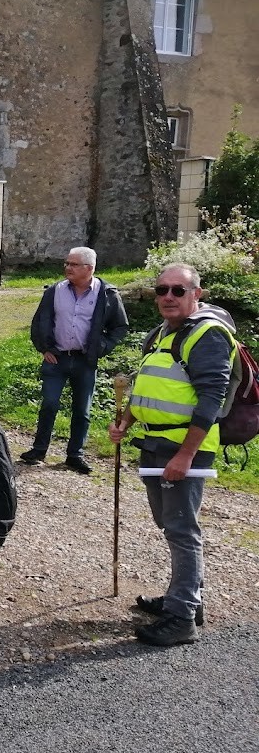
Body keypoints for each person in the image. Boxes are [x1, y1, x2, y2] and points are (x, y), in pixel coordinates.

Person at [109, 263, 236, 647]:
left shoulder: (208, 336)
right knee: (170, 524)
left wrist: (185, 456)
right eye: (162, 290)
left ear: (197, 294)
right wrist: (126, 422)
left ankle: (182, 617)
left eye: (178, 290)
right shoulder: (161, 334)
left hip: (184, 450)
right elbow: (146, 386)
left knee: (182, 530)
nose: (168, 297)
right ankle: (187, 596)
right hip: (154, 443)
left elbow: (211, 400)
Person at [22, 246, 129, 474]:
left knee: (82, 410)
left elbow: (119, 327)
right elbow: (39, 321)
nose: (67, 268)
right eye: (67, 263)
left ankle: (75, 455)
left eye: (73, 264)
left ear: (89, 268)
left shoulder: (107, 294)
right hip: (56, 359)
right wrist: (44, 348)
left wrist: (102, 347)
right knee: (49, 404)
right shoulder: (54, 291)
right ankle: (39, 450)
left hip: (85, 361)